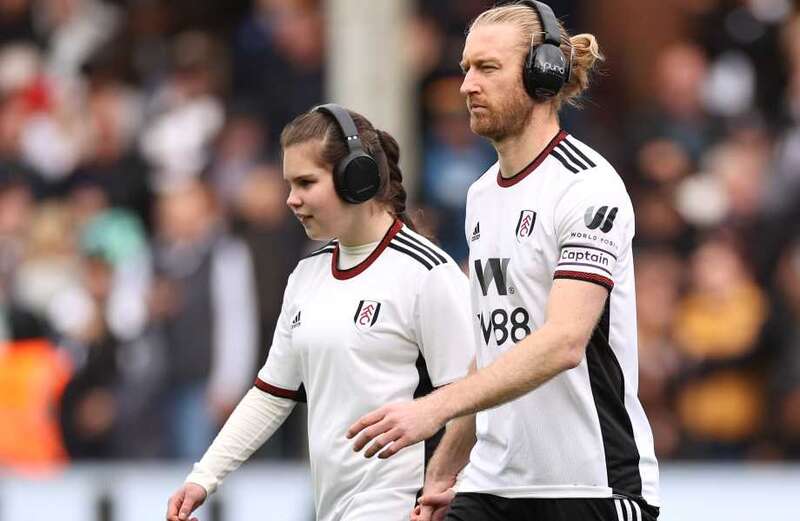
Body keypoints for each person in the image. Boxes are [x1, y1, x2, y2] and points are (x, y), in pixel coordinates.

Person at [346, 3, 661, 521]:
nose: (467, 85)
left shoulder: (587, 187)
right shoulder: (481, 195)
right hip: (492, 486)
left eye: (487, 68)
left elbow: (563, 342)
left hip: (590, 486)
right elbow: (492, 345)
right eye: (465, 68)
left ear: (544, 75)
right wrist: (445, 467)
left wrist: (433, 407)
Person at [165, 104, 474, 521]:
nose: (291, 199)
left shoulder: (426, 273)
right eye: (289, 184)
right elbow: (272, 395)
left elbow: (470, 401)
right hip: (333, 508)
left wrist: (443, 485)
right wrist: (204, 477)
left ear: (356, 178)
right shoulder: (307, 275)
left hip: (406, 507)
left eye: (306, 183)